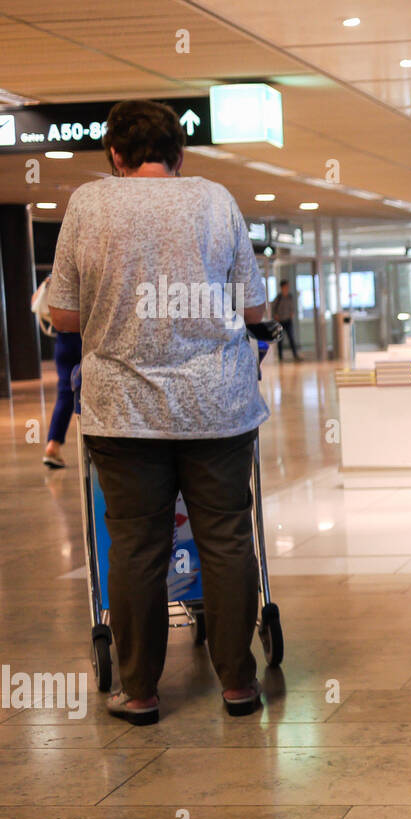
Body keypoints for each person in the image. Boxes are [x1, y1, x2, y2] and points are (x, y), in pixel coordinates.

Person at [46, 99, 276, 725]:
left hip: (124, 411)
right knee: (226, 539)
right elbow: (254, 306)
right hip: (218, 408)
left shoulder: (89, 204)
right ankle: (238, 686)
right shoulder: (215, 198)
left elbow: (64, 315)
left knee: (137, 546)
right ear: (180, 154)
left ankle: (140, 692)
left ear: (115, 156)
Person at [31, 275, 82, 469]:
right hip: (84, 337)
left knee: (65, 394)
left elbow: (34, 301)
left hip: (63, 341)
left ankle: (53, 444)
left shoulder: (56, 277)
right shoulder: (86, 272)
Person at [271, 279, 301, 361]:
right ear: (282, 287)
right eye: (285, 286)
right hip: (280, 321)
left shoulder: (290, 297)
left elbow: (292, 307)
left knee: (291, 338)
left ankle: (295, 355)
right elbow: (273, 308)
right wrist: (275, 316)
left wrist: (292, 313)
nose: (287, 288)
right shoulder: (279, 298)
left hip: (288, 321)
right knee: (280, 339)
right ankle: (280, 357)